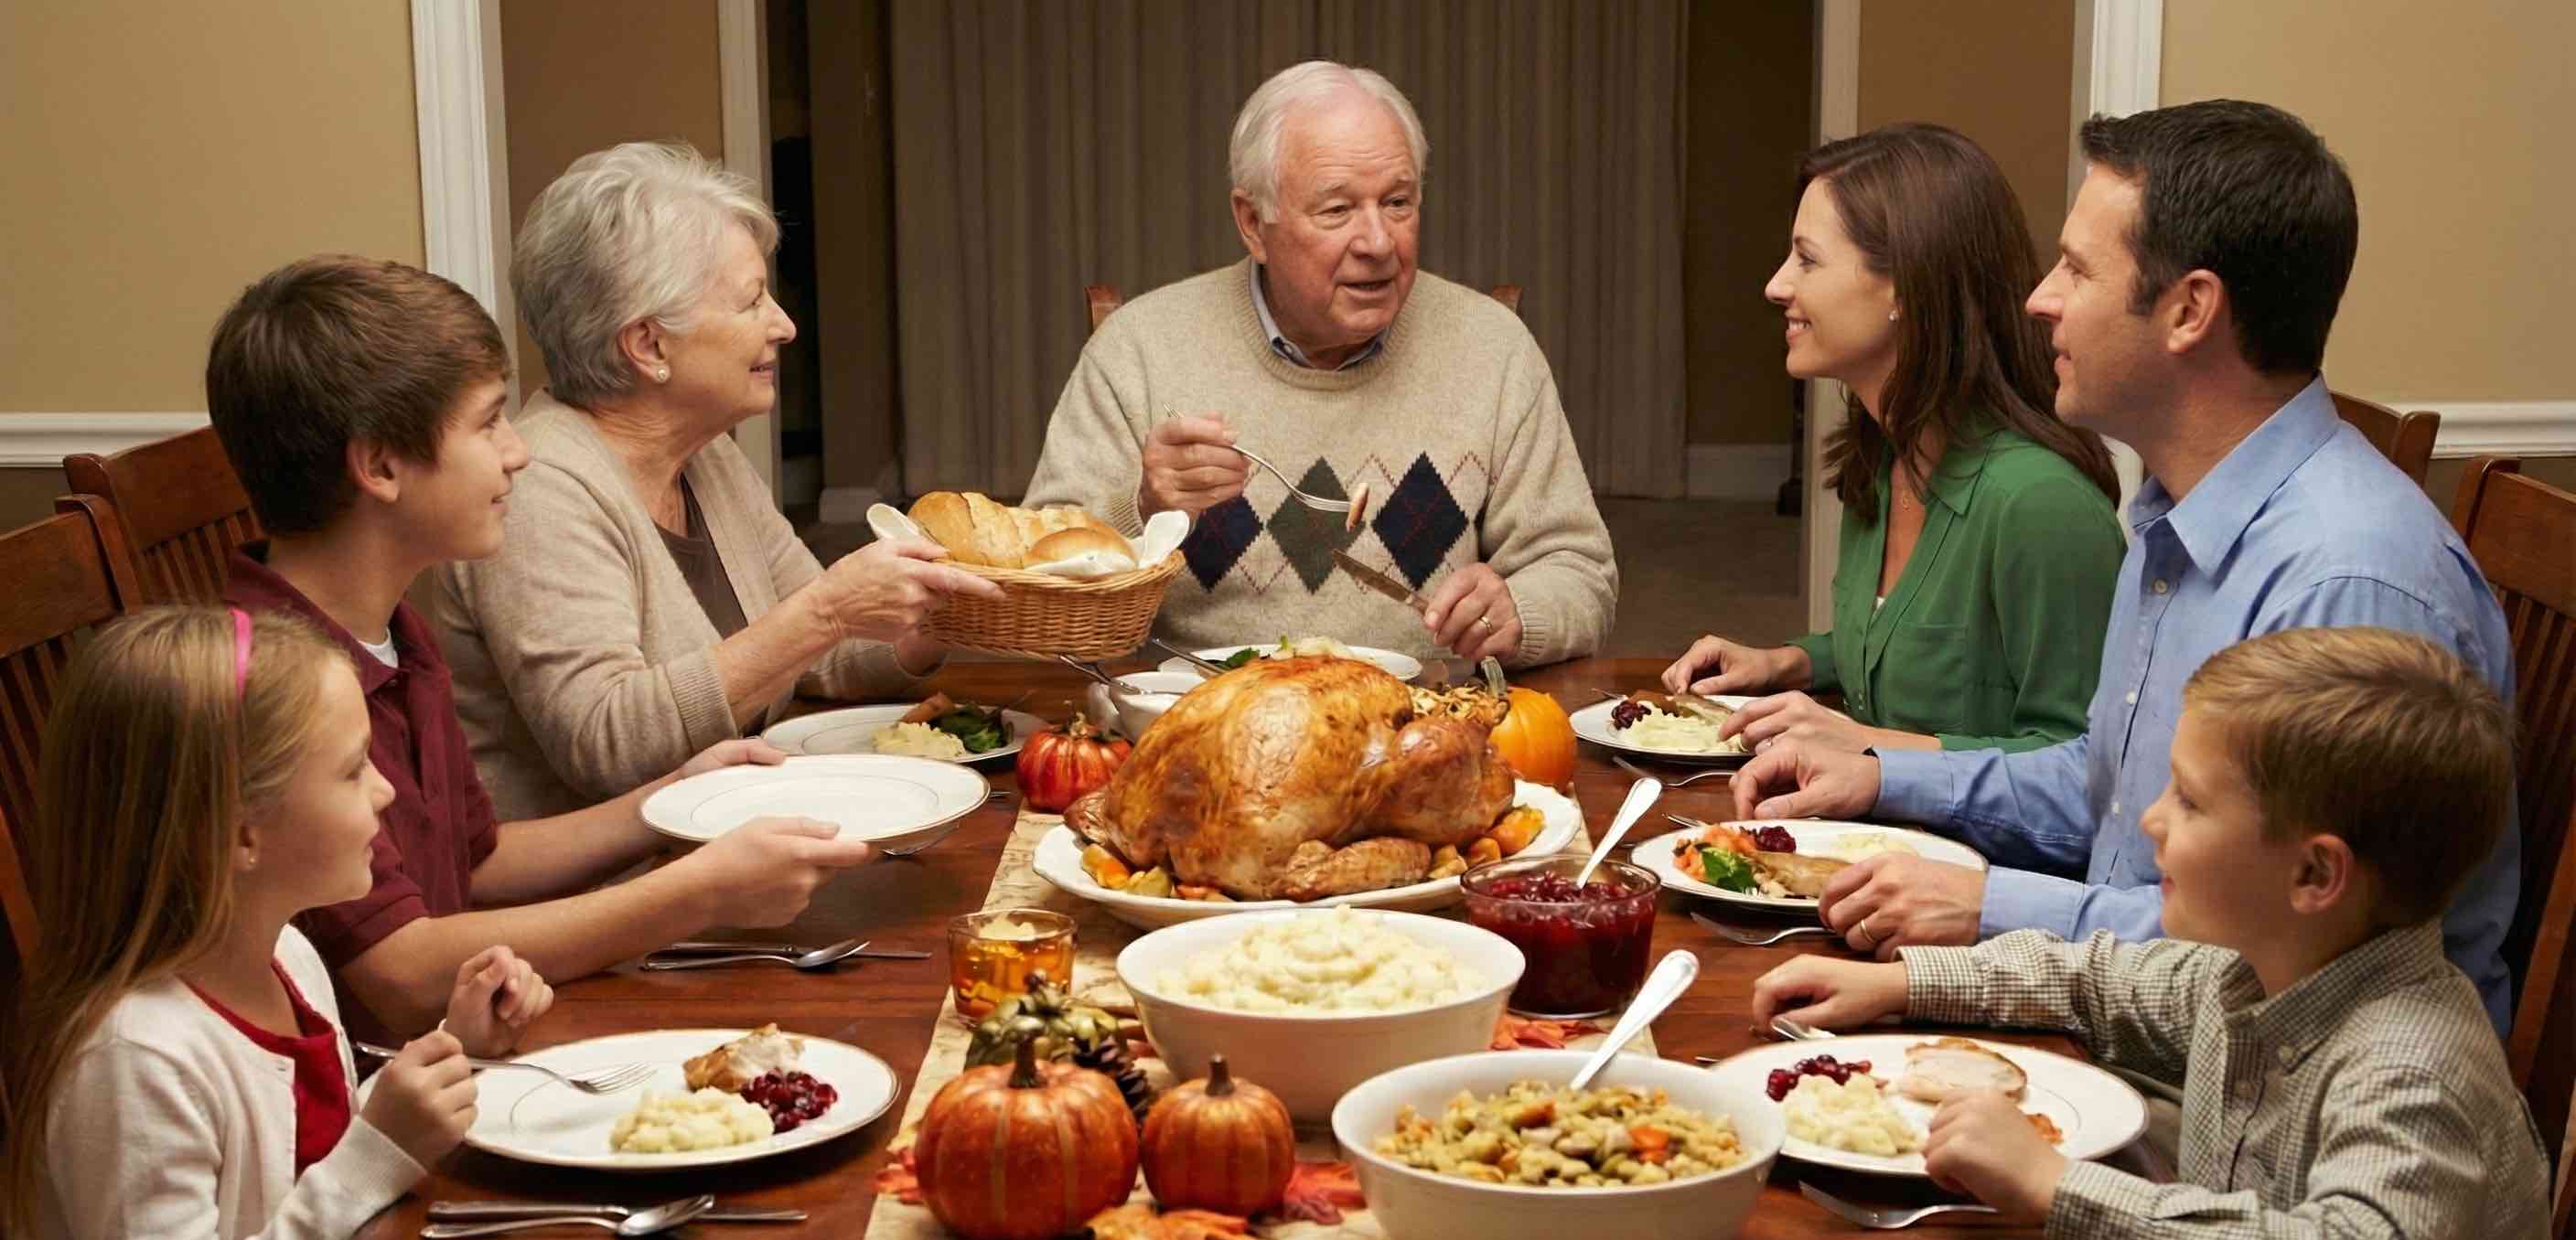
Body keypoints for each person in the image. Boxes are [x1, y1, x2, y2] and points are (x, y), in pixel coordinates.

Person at [1730, 100, 2519, 1032]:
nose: (2037, 298)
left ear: (2188, 310)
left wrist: (1989, 912)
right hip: (2127, 1010)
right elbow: (2105, 796)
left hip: (2255, 1112)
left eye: (2074, 268)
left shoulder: (2343, 582)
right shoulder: (2173, 515)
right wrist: (1879, 776)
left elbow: (2280, 969)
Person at [1749, 628, 2558, 1240]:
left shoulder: (2415, 1066)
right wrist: (1908, 985)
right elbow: (2094, 983)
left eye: (2191, 802)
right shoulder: (2262, 967)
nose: (2151, 820)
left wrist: (2057, 1187)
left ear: (2314, 873)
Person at [212, 255, 878, 1035]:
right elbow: (401, 974)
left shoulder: (390, 629)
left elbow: (477, 864)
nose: (519, 450)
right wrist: (698, 893)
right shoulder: (274, 684)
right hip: (377, 1097)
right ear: (382, 466)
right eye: (489, 422)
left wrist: (672, 797)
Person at [5, 606, 551, 1240]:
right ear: (240, 835)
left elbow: (301, 1165)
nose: (385, 789)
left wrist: (451, 1050)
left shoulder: (287, 953)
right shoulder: (135, 1056)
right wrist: (376, 1153)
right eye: (351, 768)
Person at [431, 142, 1001, 821]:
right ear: (647, 345)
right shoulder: (540, 489)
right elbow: (605, 744)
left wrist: (937, 614)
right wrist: (826, 611)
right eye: (751, 302)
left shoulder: (709, 458)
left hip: (737, 844)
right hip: (606, 898)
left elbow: (824, 657)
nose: (784, 327)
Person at [1021, 59, 1617, 668]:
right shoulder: (1140, 349)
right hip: (1201, 727)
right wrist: (1141, 511)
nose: (1379, 243)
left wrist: (1520, 607)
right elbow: (1034, 577)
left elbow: (1579, 572)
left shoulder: (1494, 349)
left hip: (1422, 730)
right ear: (1254, 223)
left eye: (1398, 203)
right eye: (1337, 211)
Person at [1661, 124, 2122, 754]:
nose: (1776, 286)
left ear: (1904, 283)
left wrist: (1869, 750)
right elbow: (1906, 654)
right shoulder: (1883, 458)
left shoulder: (2042, 508)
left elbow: (2089, 770)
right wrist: (1785, 663)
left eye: (1808, 259)